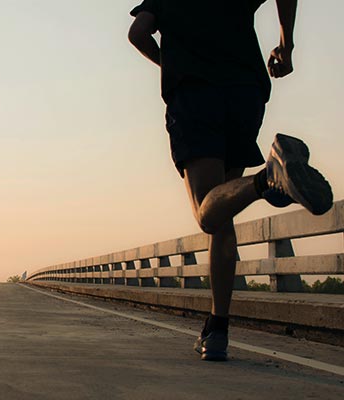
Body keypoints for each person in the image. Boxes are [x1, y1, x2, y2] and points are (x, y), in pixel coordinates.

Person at [128, 0, 333, 361]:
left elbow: (138, 33)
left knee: (209, 215)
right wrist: (287, 44)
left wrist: (170, 63)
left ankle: (267, 179)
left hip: (194, 93)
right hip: (245, 91)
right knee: (224, 208)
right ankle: (217, 328)